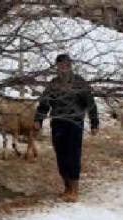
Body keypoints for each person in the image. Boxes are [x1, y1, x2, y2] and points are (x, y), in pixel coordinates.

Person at [34, 53, 98, 203]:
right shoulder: (53, 84)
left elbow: (90, 103)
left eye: (66, 65)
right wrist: (38, 119)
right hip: (58, 122)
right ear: (57, 67)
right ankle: (67, 188)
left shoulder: (79, 83)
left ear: (70, 66)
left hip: (74, 123)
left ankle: (74, 190)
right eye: (60, 65)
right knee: (61, 156)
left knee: (73, 156)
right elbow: (44, 103)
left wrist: (94, 123)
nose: (63, 67)